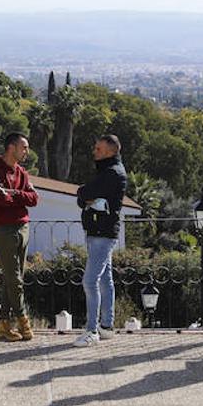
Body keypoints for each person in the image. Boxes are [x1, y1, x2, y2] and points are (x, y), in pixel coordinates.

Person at [0, 132, 40, 342]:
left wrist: (15, 194)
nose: (27, 151)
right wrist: (18, 197)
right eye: (24, 147)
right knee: (14, 279)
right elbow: (1, 198)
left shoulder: (22, 173)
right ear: (11, 148)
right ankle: (23, 320)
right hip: (3, 230)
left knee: (13, 278)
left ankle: (3, 324)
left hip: (22, 228)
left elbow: (34, 199)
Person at [74, 134, 128, 347]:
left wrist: (84, 194)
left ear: (110, 152)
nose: (94, 152)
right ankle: (107, 326)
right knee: (105, 279)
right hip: (99, 231)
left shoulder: (112, 173)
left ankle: (92, 330)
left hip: (102, 234)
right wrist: (85, 196)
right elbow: (85, 197)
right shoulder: (107, 171)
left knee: (89, 281)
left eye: (98, 149)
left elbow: (85, 193)